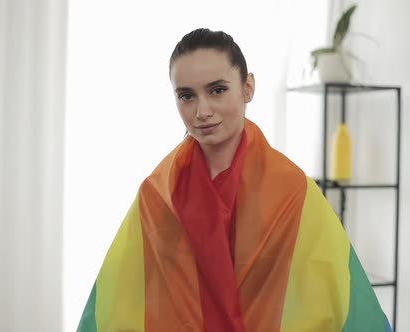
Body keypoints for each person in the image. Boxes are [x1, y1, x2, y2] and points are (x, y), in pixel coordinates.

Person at [77, 28, 392, 332]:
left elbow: (330, 291)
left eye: (217, 90)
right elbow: (124, 295)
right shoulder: (157, 193)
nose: (202, 111)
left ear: (248, 88)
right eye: (186, 96)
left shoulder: (293, 190)